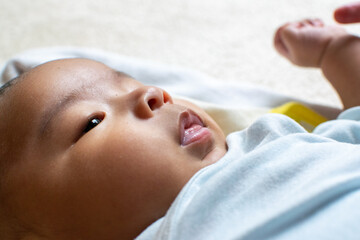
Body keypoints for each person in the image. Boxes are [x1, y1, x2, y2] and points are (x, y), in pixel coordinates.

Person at [0, 18, 359, 240]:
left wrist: (334, 49)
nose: (152, 93)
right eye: (91, 122)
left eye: (131, 83)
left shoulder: (275, 139)